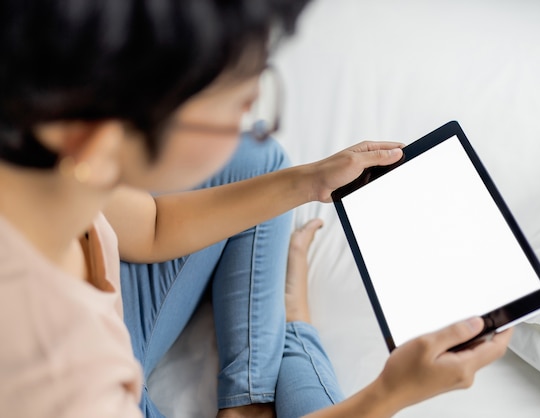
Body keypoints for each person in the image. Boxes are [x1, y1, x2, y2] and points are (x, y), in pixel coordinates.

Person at [0, 1, 512, 417]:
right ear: (98, 138)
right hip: (98, 374)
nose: (252, 117)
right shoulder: (62, 382)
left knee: (260, 163)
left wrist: (310, 182)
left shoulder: (48, 146)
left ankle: (248, 398)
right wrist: (390, 394)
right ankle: (283, 348)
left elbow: (152, 228)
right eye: (239, 104)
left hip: (97, 312)